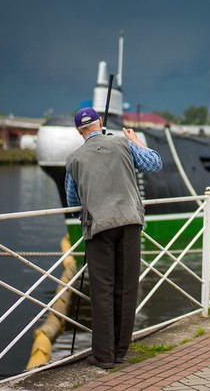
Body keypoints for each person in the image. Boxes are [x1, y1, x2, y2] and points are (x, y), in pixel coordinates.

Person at [64, 107, 162, 369]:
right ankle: (120, 351)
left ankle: (103, 356)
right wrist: (134, 140)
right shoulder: (122, 144)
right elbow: (154, 163)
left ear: (78, 131)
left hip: (98, 226)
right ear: (100, 123)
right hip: (130, 222)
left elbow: (73, 202)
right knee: (127, 287)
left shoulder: (74, 159)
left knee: (102, 290)